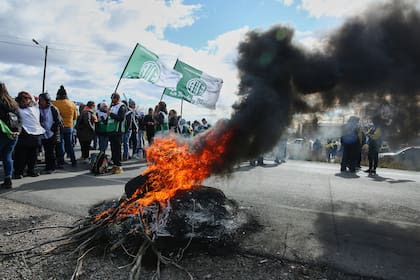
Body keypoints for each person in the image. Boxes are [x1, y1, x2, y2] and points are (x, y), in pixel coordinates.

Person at [13, 92, 45, 178]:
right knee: (21, 155)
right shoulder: (16, 109)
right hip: (23, 133)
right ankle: (19, 172)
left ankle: (31, 170)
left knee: (33, 155)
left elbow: (39, 120)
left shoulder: (34, 109)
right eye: (24, 99)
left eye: (27, 99)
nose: (26, 101)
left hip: (35, 134)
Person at [0, 82, 21, 188]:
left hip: (2, 133)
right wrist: (18, 130)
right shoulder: (13, 103)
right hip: (13, 134)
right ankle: (8, 178)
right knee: (7, 156)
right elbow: (20, 119)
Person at [53, 85, 78, 167]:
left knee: (60, 144)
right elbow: (75, 117)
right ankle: (73, 160)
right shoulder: (72, 104)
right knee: (69, 144)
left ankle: (61, 161)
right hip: (69, 126)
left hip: (59, 127)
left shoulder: (54, 104)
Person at [38, 93, 63, 174]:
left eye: (42, 100)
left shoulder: (53, 108)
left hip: (52, 133)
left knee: (51, 151)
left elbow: (58, 121)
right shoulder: (38, 109)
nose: (40, 102)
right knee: (46, 151)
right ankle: (47, 166)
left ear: (46, 100)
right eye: (40, 100)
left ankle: (52, 167)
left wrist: (53, 130)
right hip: (43, 132)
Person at [107, 93, 127, 173]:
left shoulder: (122, 106)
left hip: (117, 131)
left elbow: (121, 118)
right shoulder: (112, 106)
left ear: (117, 98)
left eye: (113, 98)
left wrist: (110, 114)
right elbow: (109, 118)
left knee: (117, 149)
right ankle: (115, 165)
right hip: (111, 130)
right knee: (113, 149)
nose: (112, 100)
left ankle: (119, 166)